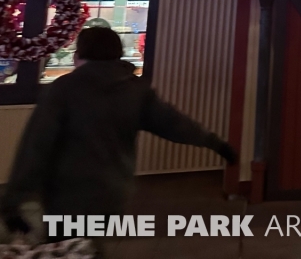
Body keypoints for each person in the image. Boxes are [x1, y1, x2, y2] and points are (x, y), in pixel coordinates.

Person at [1, 27, 237, 243]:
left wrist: (14, 201)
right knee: (89, 245)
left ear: (79, 53)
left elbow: (35, 145)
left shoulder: (64, 89)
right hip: (113, 193)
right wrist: (217, 144)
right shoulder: (134, 90)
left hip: (68, 195)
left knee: (65, 247)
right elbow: (176, 124)